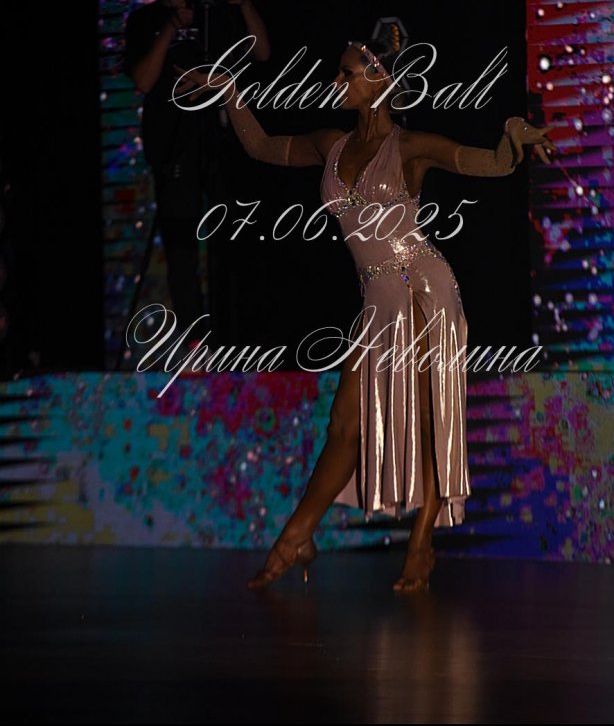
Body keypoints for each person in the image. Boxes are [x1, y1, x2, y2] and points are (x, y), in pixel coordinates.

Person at [177, 38, 557, 592]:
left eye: (347, 73)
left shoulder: (411, 146)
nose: (337, 82)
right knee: (344, 424)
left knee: (427, 417)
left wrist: (511, 138)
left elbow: (492, 164)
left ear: (381, 80)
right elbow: (260, 146)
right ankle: (298, 536)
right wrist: (229, 90)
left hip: (422, 288)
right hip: (376, 298)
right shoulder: (330, 144)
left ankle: (421, 543)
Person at [123, 0, 271, 347]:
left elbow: (261, 52)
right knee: (182, 248)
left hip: (219, 141)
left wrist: (243, 3)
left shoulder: (212, 12)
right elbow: (144, 80)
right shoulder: (146, 19)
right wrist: (171, 26)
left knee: (231, 238)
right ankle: (194, 344)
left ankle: (235, 336)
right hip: (172, 145)